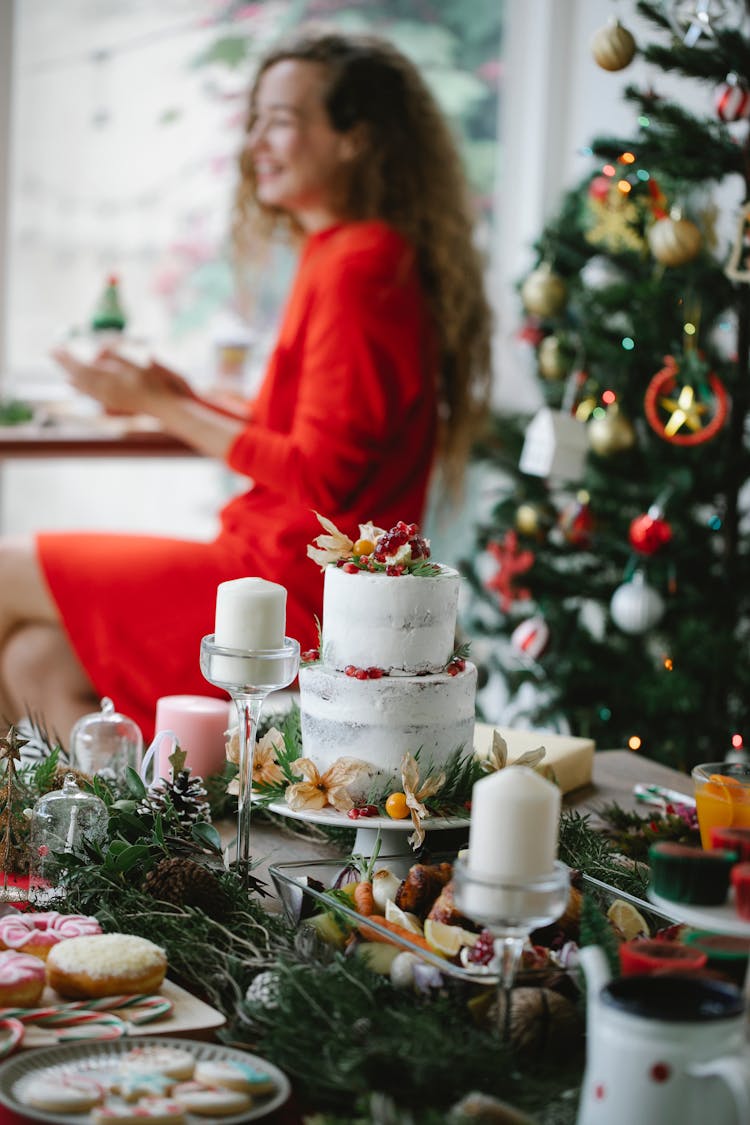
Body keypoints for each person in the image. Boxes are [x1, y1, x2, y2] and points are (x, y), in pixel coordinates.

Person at [0, 26, 493, 744]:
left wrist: (161, 404)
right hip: (275, 575)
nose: (255, 141)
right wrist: (176, 392)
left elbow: (320, 473)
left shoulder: (362, 266)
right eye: (254, 119)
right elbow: (304, 430)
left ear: (355, 137)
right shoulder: (339, 253)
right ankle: (122, 847)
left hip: (288, 594)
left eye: (281, 121)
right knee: (35, 662)